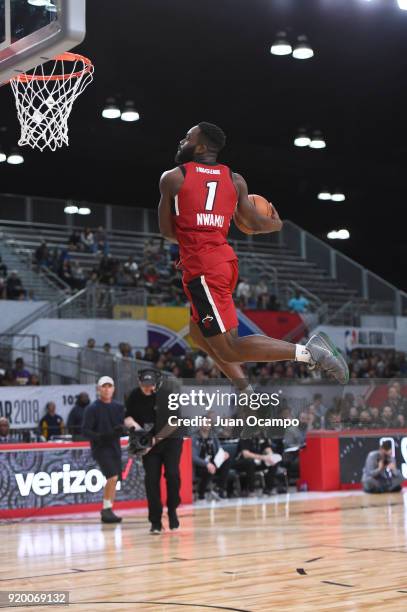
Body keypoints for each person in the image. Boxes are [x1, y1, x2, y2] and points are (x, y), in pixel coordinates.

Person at [157, 122, 349, 393]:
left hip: (202, 269)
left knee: (231, 348)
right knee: (198, 334)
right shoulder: (235, 181)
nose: (181, 140)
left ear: (200, 146)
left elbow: (166, 231)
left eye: (187, 137)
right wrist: (277, 224)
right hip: (223, 262)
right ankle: (246, 391)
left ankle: (309, 352)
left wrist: (194, 228)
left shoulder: (173, 178)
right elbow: (255, 224)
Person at [124, 369, 183, 534]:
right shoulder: (134, 396)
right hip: (149, 442)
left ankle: (172, 509)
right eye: (144, 385)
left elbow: (173, 422)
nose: (147, 388)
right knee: (151, 480)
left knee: (172, 475)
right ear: (139, 382)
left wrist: (153, 441)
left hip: (171, 439)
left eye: (150, 385)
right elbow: (128, 418)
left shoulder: (167, 395)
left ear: (157, 383)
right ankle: (155, 521)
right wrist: (138, 430)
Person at [82, 376, 125, 523]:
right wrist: (100, 437)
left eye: (109, 386)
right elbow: (85, 430)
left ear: (113, 389)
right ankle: (106, 509)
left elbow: (123, 426)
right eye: (104, 386)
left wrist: (123, 430)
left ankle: (109, 509)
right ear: (99, 389)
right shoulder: (92, 409)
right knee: (112, 477)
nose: (107, 389)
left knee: (115, 479)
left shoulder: (119, 407)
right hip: (101, 448)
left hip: (115, 446)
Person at [192, 420, 231, 499]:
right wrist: (206, 464)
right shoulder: (194, 437)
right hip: (201, 464)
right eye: (204, 423)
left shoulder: (213, 436)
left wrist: (224, 454)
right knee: (209, 468)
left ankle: (220, 489)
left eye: (208, 423)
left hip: (213, 462)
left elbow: (219, 448)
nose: (207, 425)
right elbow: (193, 457)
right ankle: (201, 493)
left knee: (226, 461)